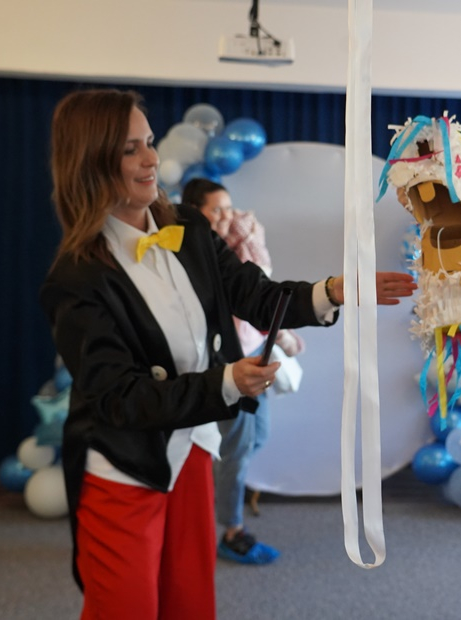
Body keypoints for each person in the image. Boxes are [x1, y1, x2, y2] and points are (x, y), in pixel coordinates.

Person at [39, 88, 416, 620]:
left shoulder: (190, 228)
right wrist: (226, 383)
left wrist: (333, 290)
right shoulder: (75, 280)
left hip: (192, 448)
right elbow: (119, 398)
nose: (151, 159)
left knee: (189, 601)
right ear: (91, 161)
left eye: (150, 142)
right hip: (123, 465)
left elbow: (255, 295)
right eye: (130, 149)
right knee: (125, 608)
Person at [182, 177, 304, 564]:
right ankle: (232, 530)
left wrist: (283, 336)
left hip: (255, 357)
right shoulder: (193, 257)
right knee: (236, 450)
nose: (226, 216)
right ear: (194, 212)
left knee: (254, 439)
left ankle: (205, 498)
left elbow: (260, 296)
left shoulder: (239, 248)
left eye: (228, 208)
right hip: (228, 365)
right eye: (215, 210)